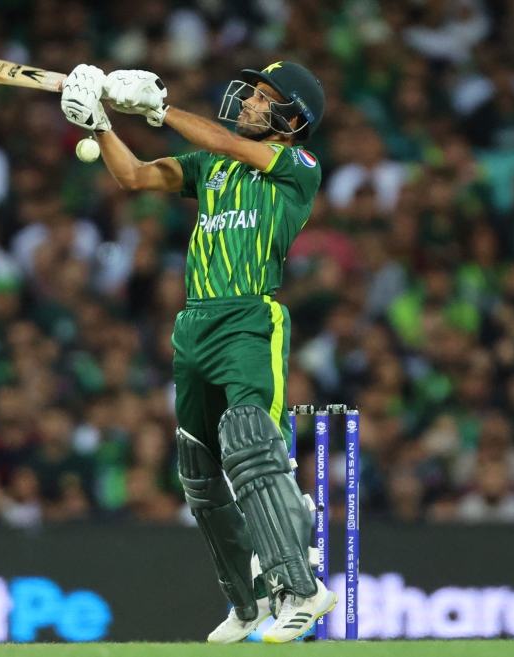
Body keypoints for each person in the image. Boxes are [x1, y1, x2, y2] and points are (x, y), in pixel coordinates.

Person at [59, 61, 335, 643]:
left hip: (249, 319)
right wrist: (100, 123)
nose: (250, 102)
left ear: (292, 120)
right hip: (194, 325)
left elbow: (229, 142)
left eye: (265, 98)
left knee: (250, 442)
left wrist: (159, 111)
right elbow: (134, 176)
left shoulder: (297, 168)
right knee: (200, 472)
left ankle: (302, 590)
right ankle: (248, 600)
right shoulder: (210, 165)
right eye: (254, 93)